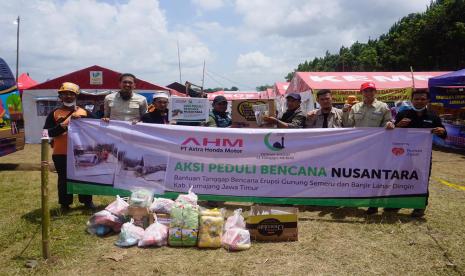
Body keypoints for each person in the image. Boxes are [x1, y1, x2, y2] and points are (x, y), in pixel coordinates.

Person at [391, 90, 447, 217]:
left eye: (422, 99)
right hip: (403, 154)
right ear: (412, 101)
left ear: (428, 101)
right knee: (400, 178)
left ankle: (420, 206)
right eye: (416, 99)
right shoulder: (403, 113)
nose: (419, 101)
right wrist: (398, 126)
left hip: (423, 156)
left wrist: (441, 131)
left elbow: (444, 134)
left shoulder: (433, 116)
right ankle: (396, 203)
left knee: (422, 180)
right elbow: (392, 133)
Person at [342, 82, 395, 215]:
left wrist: (389, 124)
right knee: (357, 174)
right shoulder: (355, 107)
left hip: (376, 147)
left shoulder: (383, 107)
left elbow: (388, 122)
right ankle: (355, 199)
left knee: (374, 176)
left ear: (375, 92)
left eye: (371, 90)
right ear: (361, 93)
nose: (369, 93)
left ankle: (373, 204)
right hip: (358, 148)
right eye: (366, 91)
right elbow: (348, 124)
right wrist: (344, 112)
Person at [43, 82, 95, 211]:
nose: (68, 96)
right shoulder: (54, 114)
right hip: (61, 152)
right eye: (65, 94)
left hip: (82, 152)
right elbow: (46, 133)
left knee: (84, 177)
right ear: (60, 96)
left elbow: (97, 127)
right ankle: (65, 204)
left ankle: (87, 202)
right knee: (64, 179)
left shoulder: (85, 112)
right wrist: (62, 126)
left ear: (76, 96)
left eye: (71, 94)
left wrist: (104, 120)